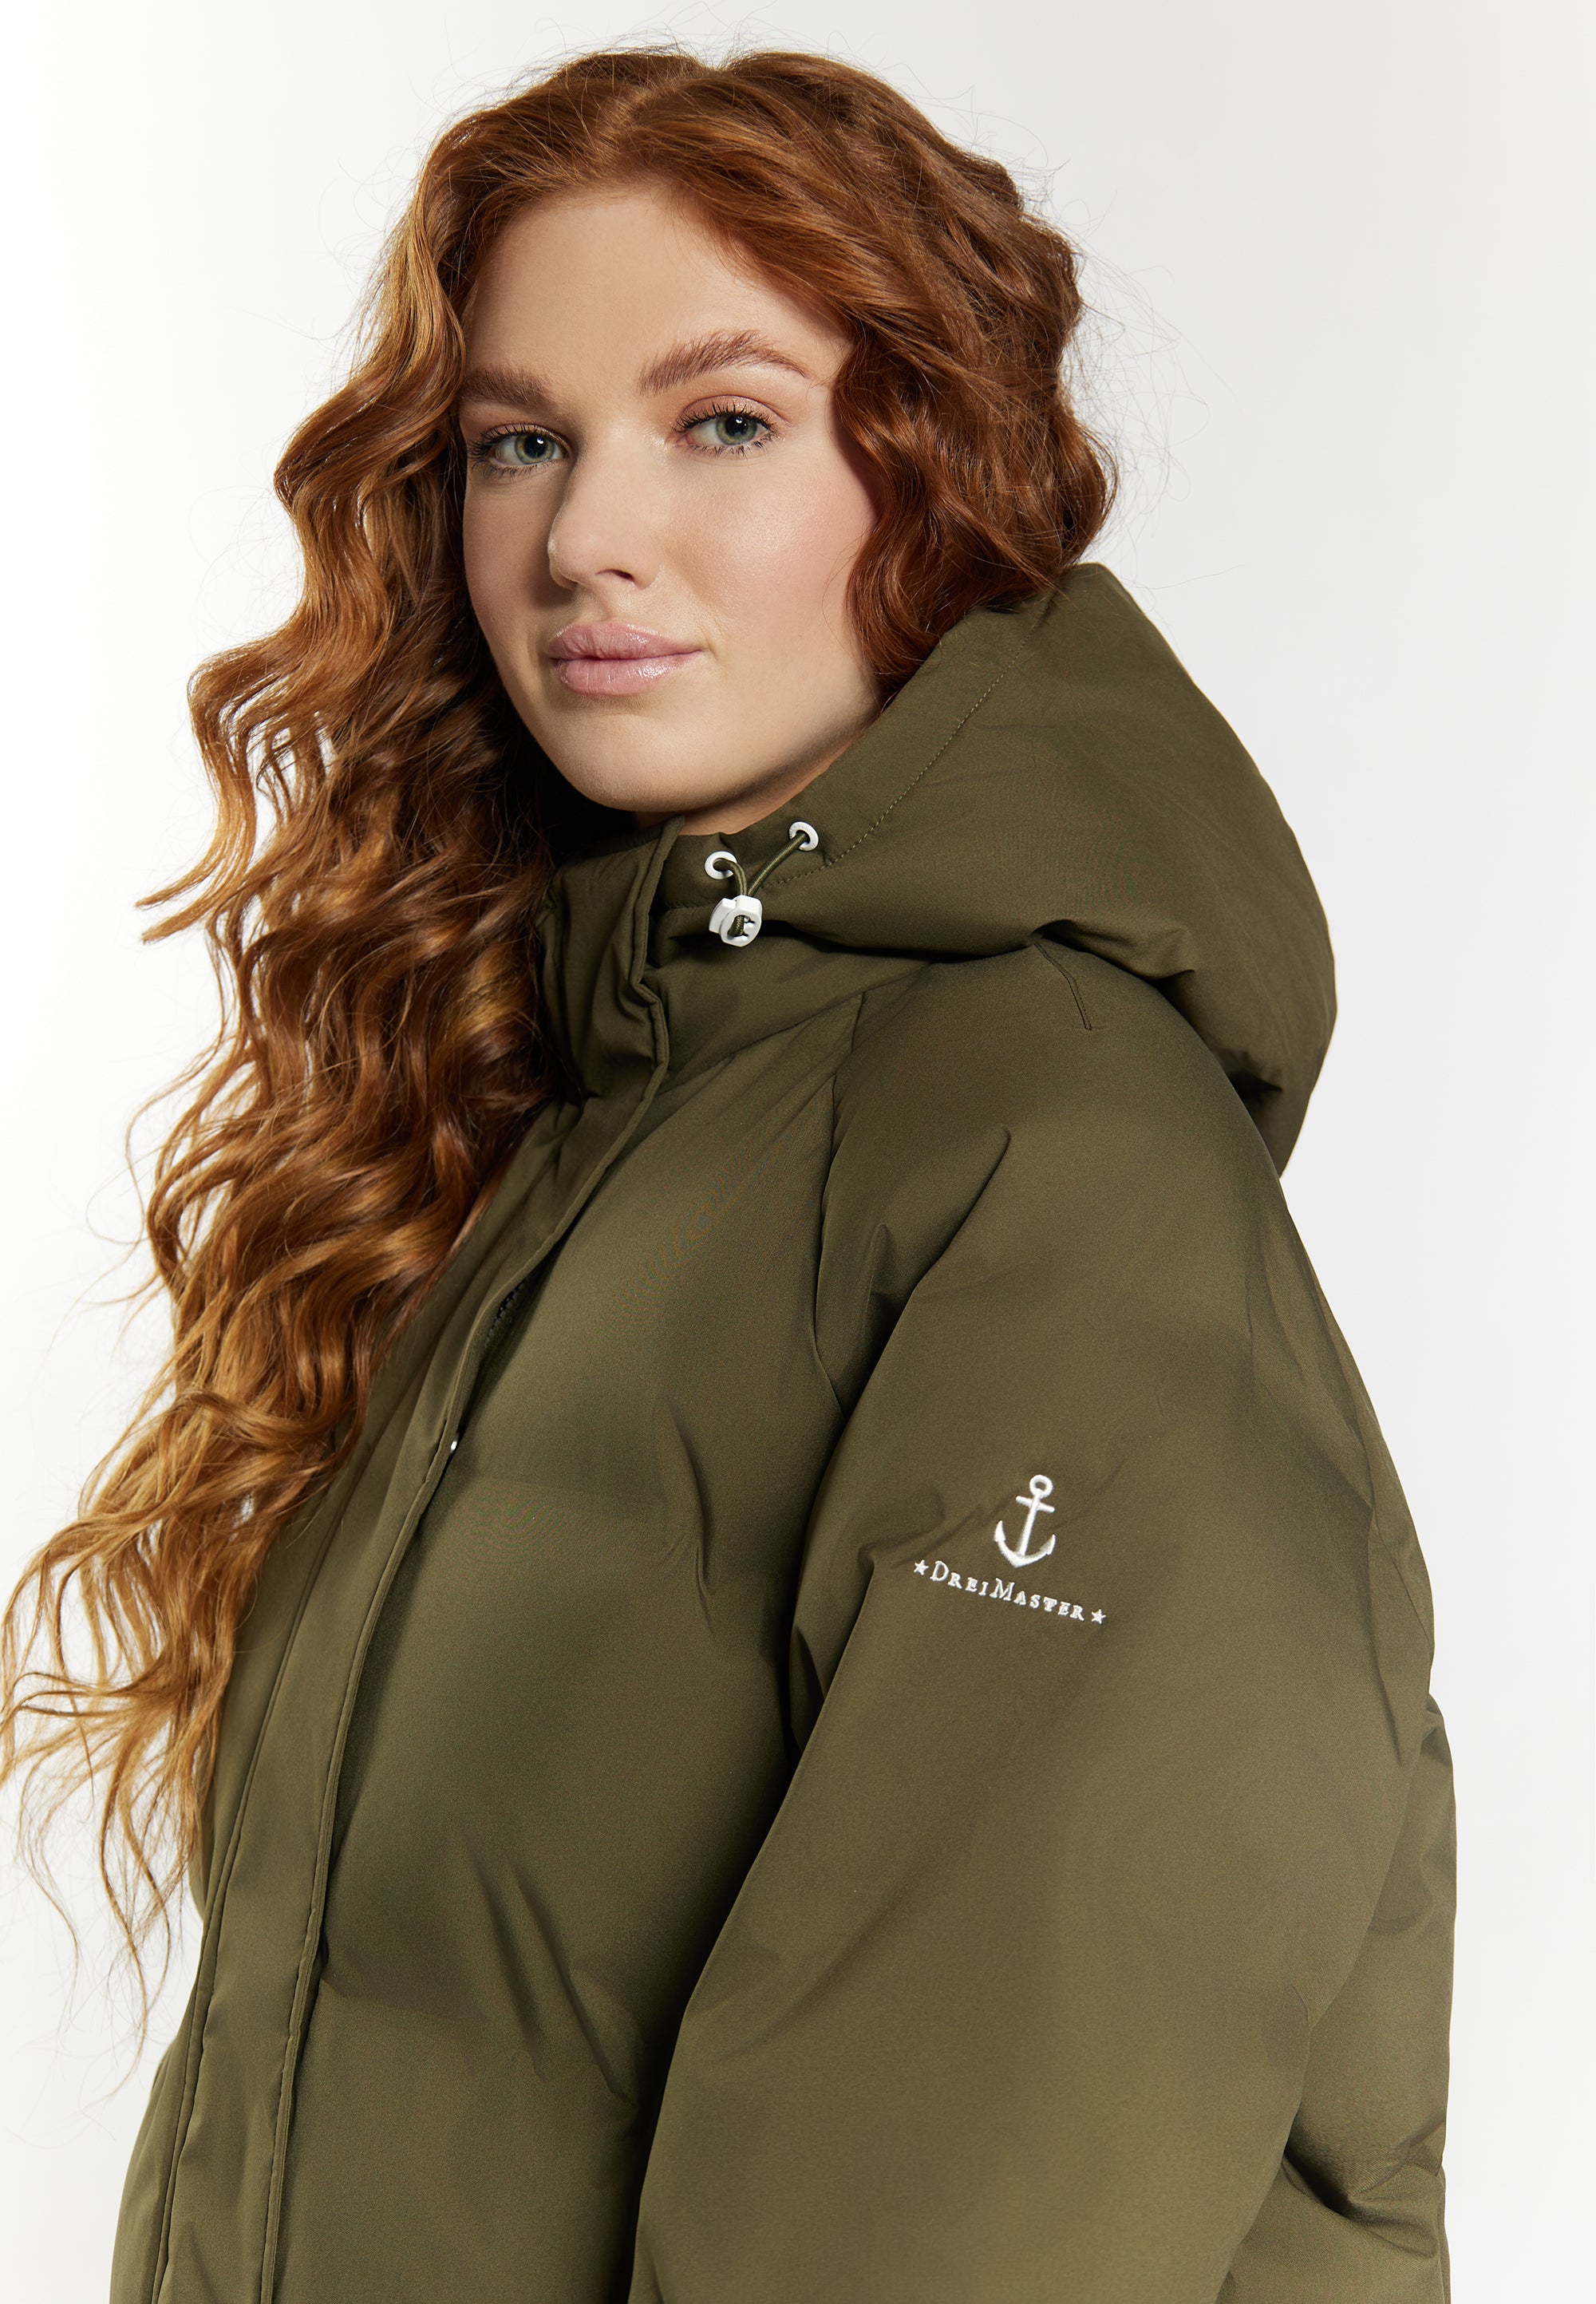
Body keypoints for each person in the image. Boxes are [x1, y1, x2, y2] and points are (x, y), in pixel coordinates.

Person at [1, 45, 1455, 2304]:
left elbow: (954, 2216)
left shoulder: (1057, 1172)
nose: (584, 535)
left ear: (936, 477)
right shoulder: (580, 1120)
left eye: (724, 422)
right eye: (520, 442)